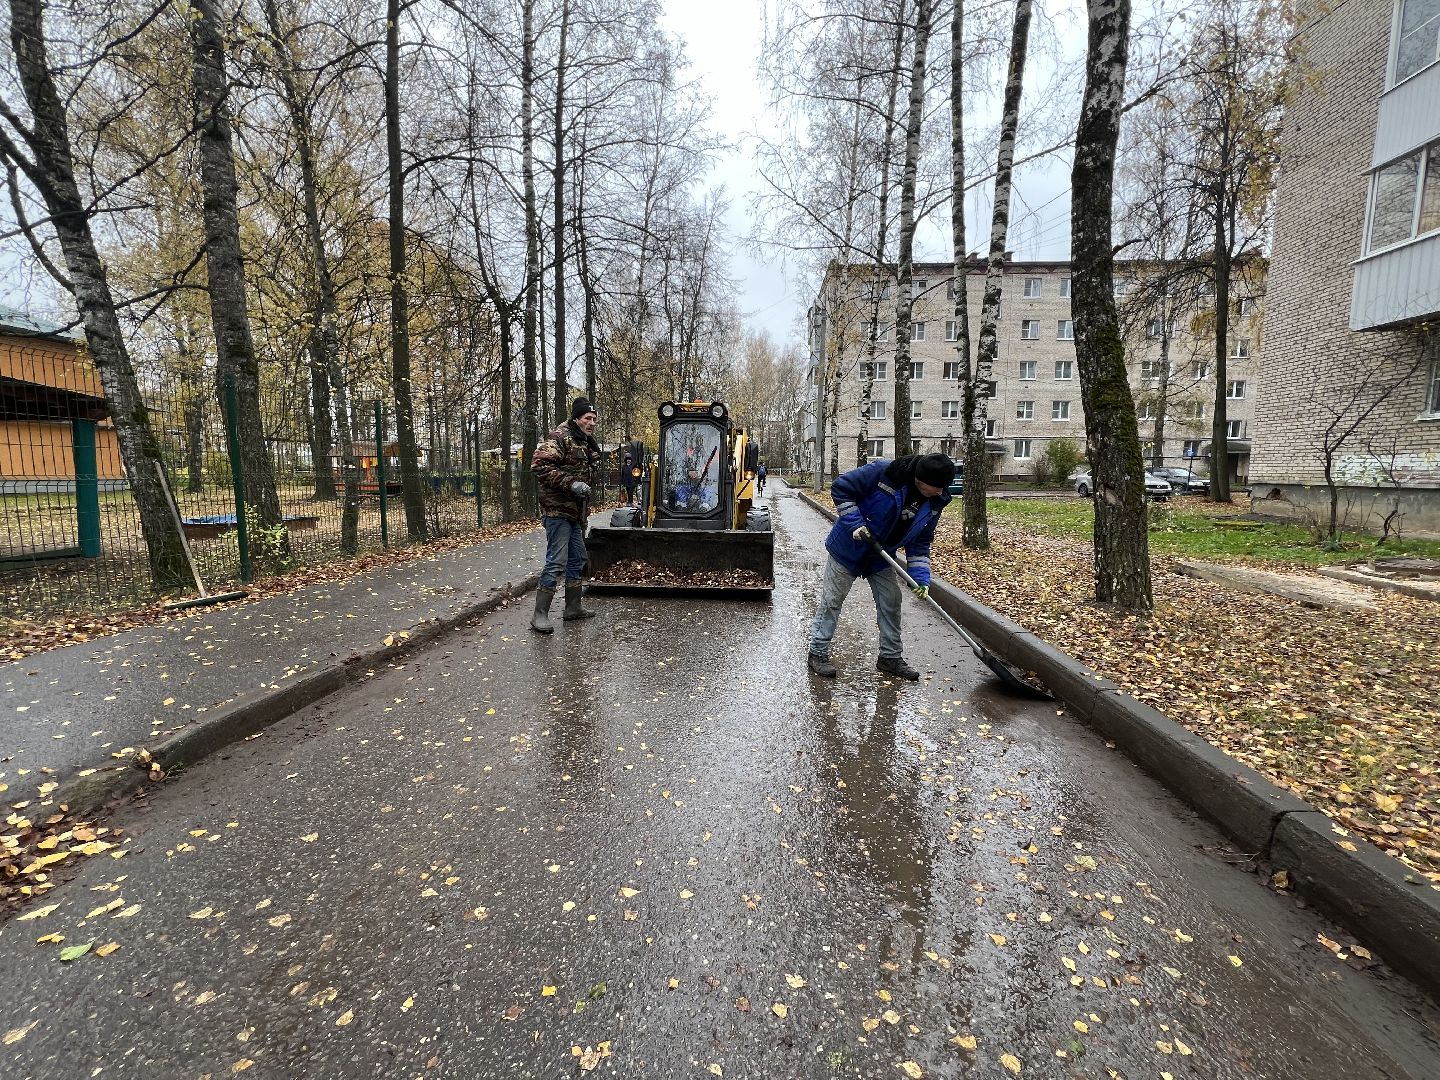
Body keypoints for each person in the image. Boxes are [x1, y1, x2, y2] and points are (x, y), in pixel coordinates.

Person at [807, 453, 956, 681]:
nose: (940, 492)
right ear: (920, 479)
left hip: (881, 556)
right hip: (848, 548)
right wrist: (856, 525)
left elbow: (921, 542)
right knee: (832, 601)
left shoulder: (935, 501)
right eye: (936, 487)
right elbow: (841, 488)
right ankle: (817, 652)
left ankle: (890, 657)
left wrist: (921, 578)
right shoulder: (884, 473)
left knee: (891, 602)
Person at [530, 397, 601, 633]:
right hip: (558, 510)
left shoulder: (586, 442)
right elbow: (539, 465)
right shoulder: (559, 437)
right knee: (556, 562)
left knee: (578, 559)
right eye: (587, 418)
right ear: (576, 419)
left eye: (594, 419)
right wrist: (571, 484)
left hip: (576, 512)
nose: (591, 423)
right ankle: (539, 615)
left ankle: (573, 608)